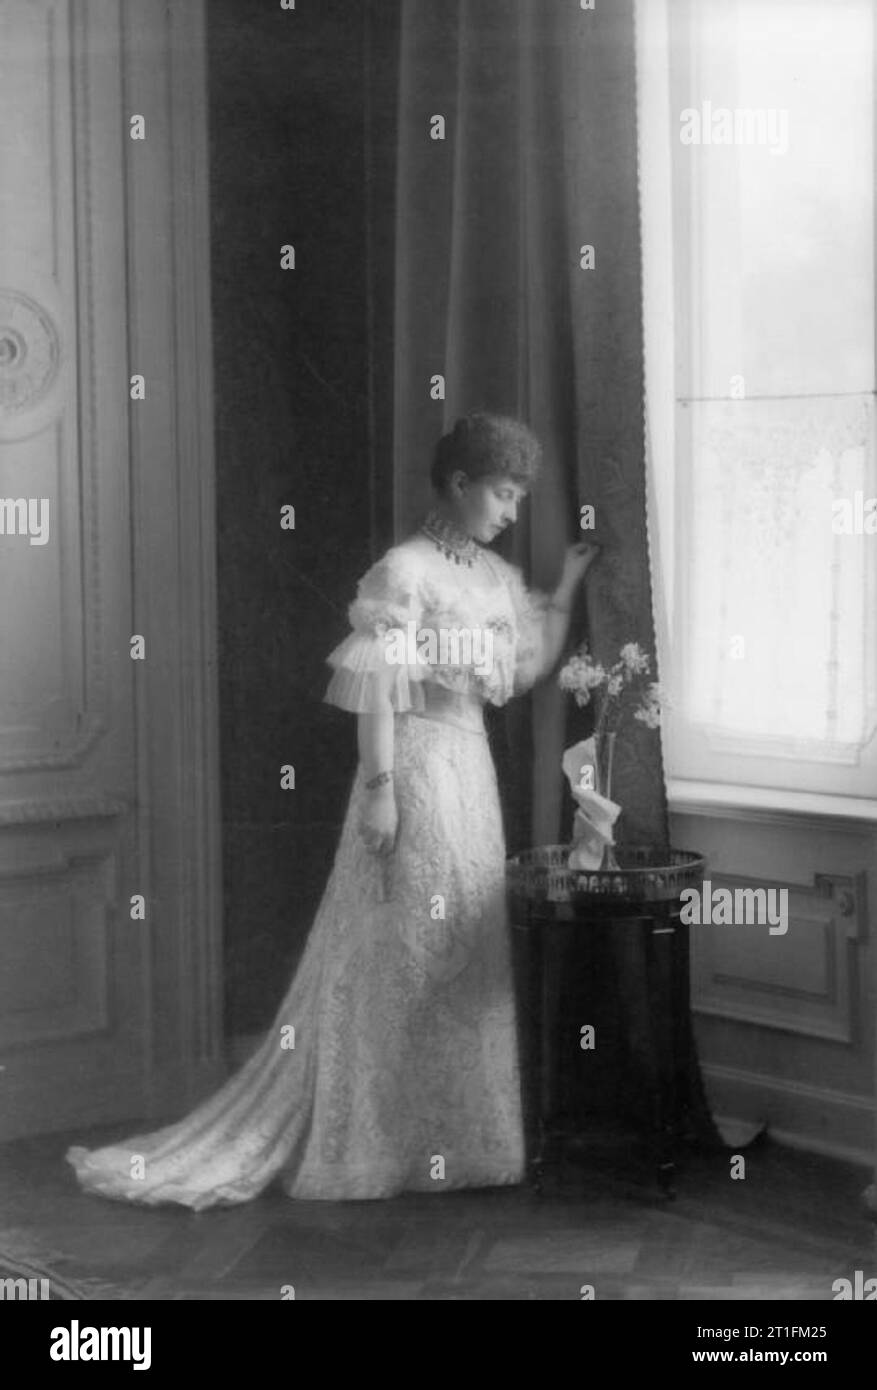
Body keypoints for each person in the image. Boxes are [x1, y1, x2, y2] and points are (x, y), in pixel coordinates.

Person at [66, 412, 598, 1209]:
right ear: (458, 483)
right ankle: (370, 1145)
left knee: (462, 943)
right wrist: (380, 792)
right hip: (412, 767)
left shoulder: (490, 579)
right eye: (501, 493)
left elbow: (519, 669)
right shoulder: (403, 572)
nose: (510, 512)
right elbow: (378, 692)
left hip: (471, 773)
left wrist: (564, 593)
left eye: (519, 497)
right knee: (397, 948)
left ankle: (457, 1143)